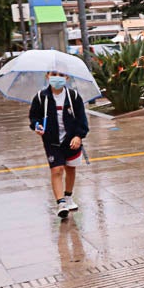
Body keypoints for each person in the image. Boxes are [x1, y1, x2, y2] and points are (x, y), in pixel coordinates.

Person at [28, 70, 89, 219]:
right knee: (56, 170)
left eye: (61, 75)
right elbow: (34, 117)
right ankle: (61, 203)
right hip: (51, 140)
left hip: (71, 140)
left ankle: (68, 196)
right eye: (53, 74)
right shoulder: (41, 97)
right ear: (47, 76)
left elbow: (82, 119)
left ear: (67, 77)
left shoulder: (73, 96)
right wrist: (37, 125)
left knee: (70, 169)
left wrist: (78, 136)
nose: (57, 78)